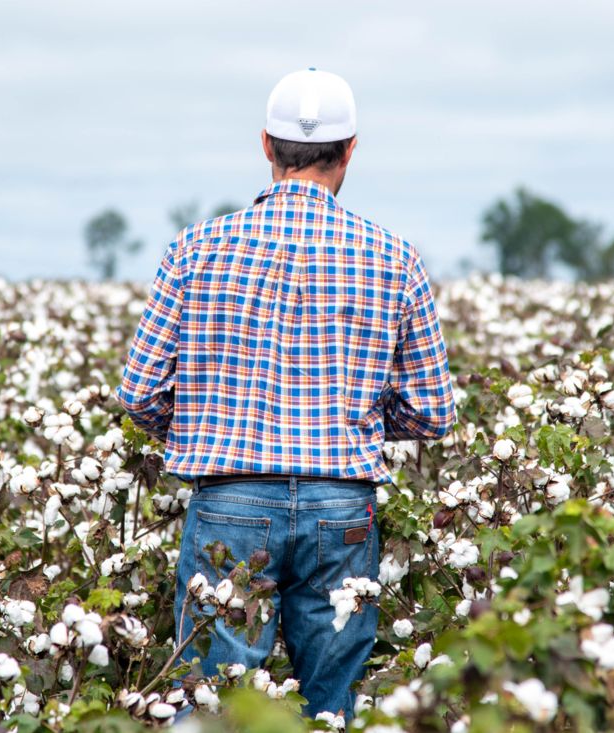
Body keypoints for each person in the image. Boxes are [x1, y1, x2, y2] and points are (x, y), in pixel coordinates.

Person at [116, 67, 457, 720]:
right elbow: (433, 409)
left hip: (231, 494)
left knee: (215, 704)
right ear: (350, 149)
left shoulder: (194, 249)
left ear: (266, 147)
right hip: (341, 504)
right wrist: (356, 420)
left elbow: (139, 390)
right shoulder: (393, 256)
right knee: (332, 703)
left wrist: (199, 424)